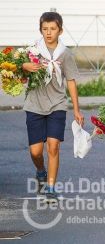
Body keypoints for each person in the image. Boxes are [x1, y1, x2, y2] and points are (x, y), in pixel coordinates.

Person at [22, 12, 82, 202]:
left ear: (60, 30)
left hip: (57, 104)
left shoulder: (65, 53)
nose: (49, 33)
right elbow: (15, 70)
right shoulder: (32, 50)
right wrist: (25, 65)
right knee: (36, 152)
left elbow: (71, 81)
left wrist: (76, 110)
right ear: (40, 30)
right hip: (34, 105)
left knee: (53, 147)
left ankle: (51, 187)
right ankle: (40, 171)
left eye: (53, 29)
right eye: (45, 29)